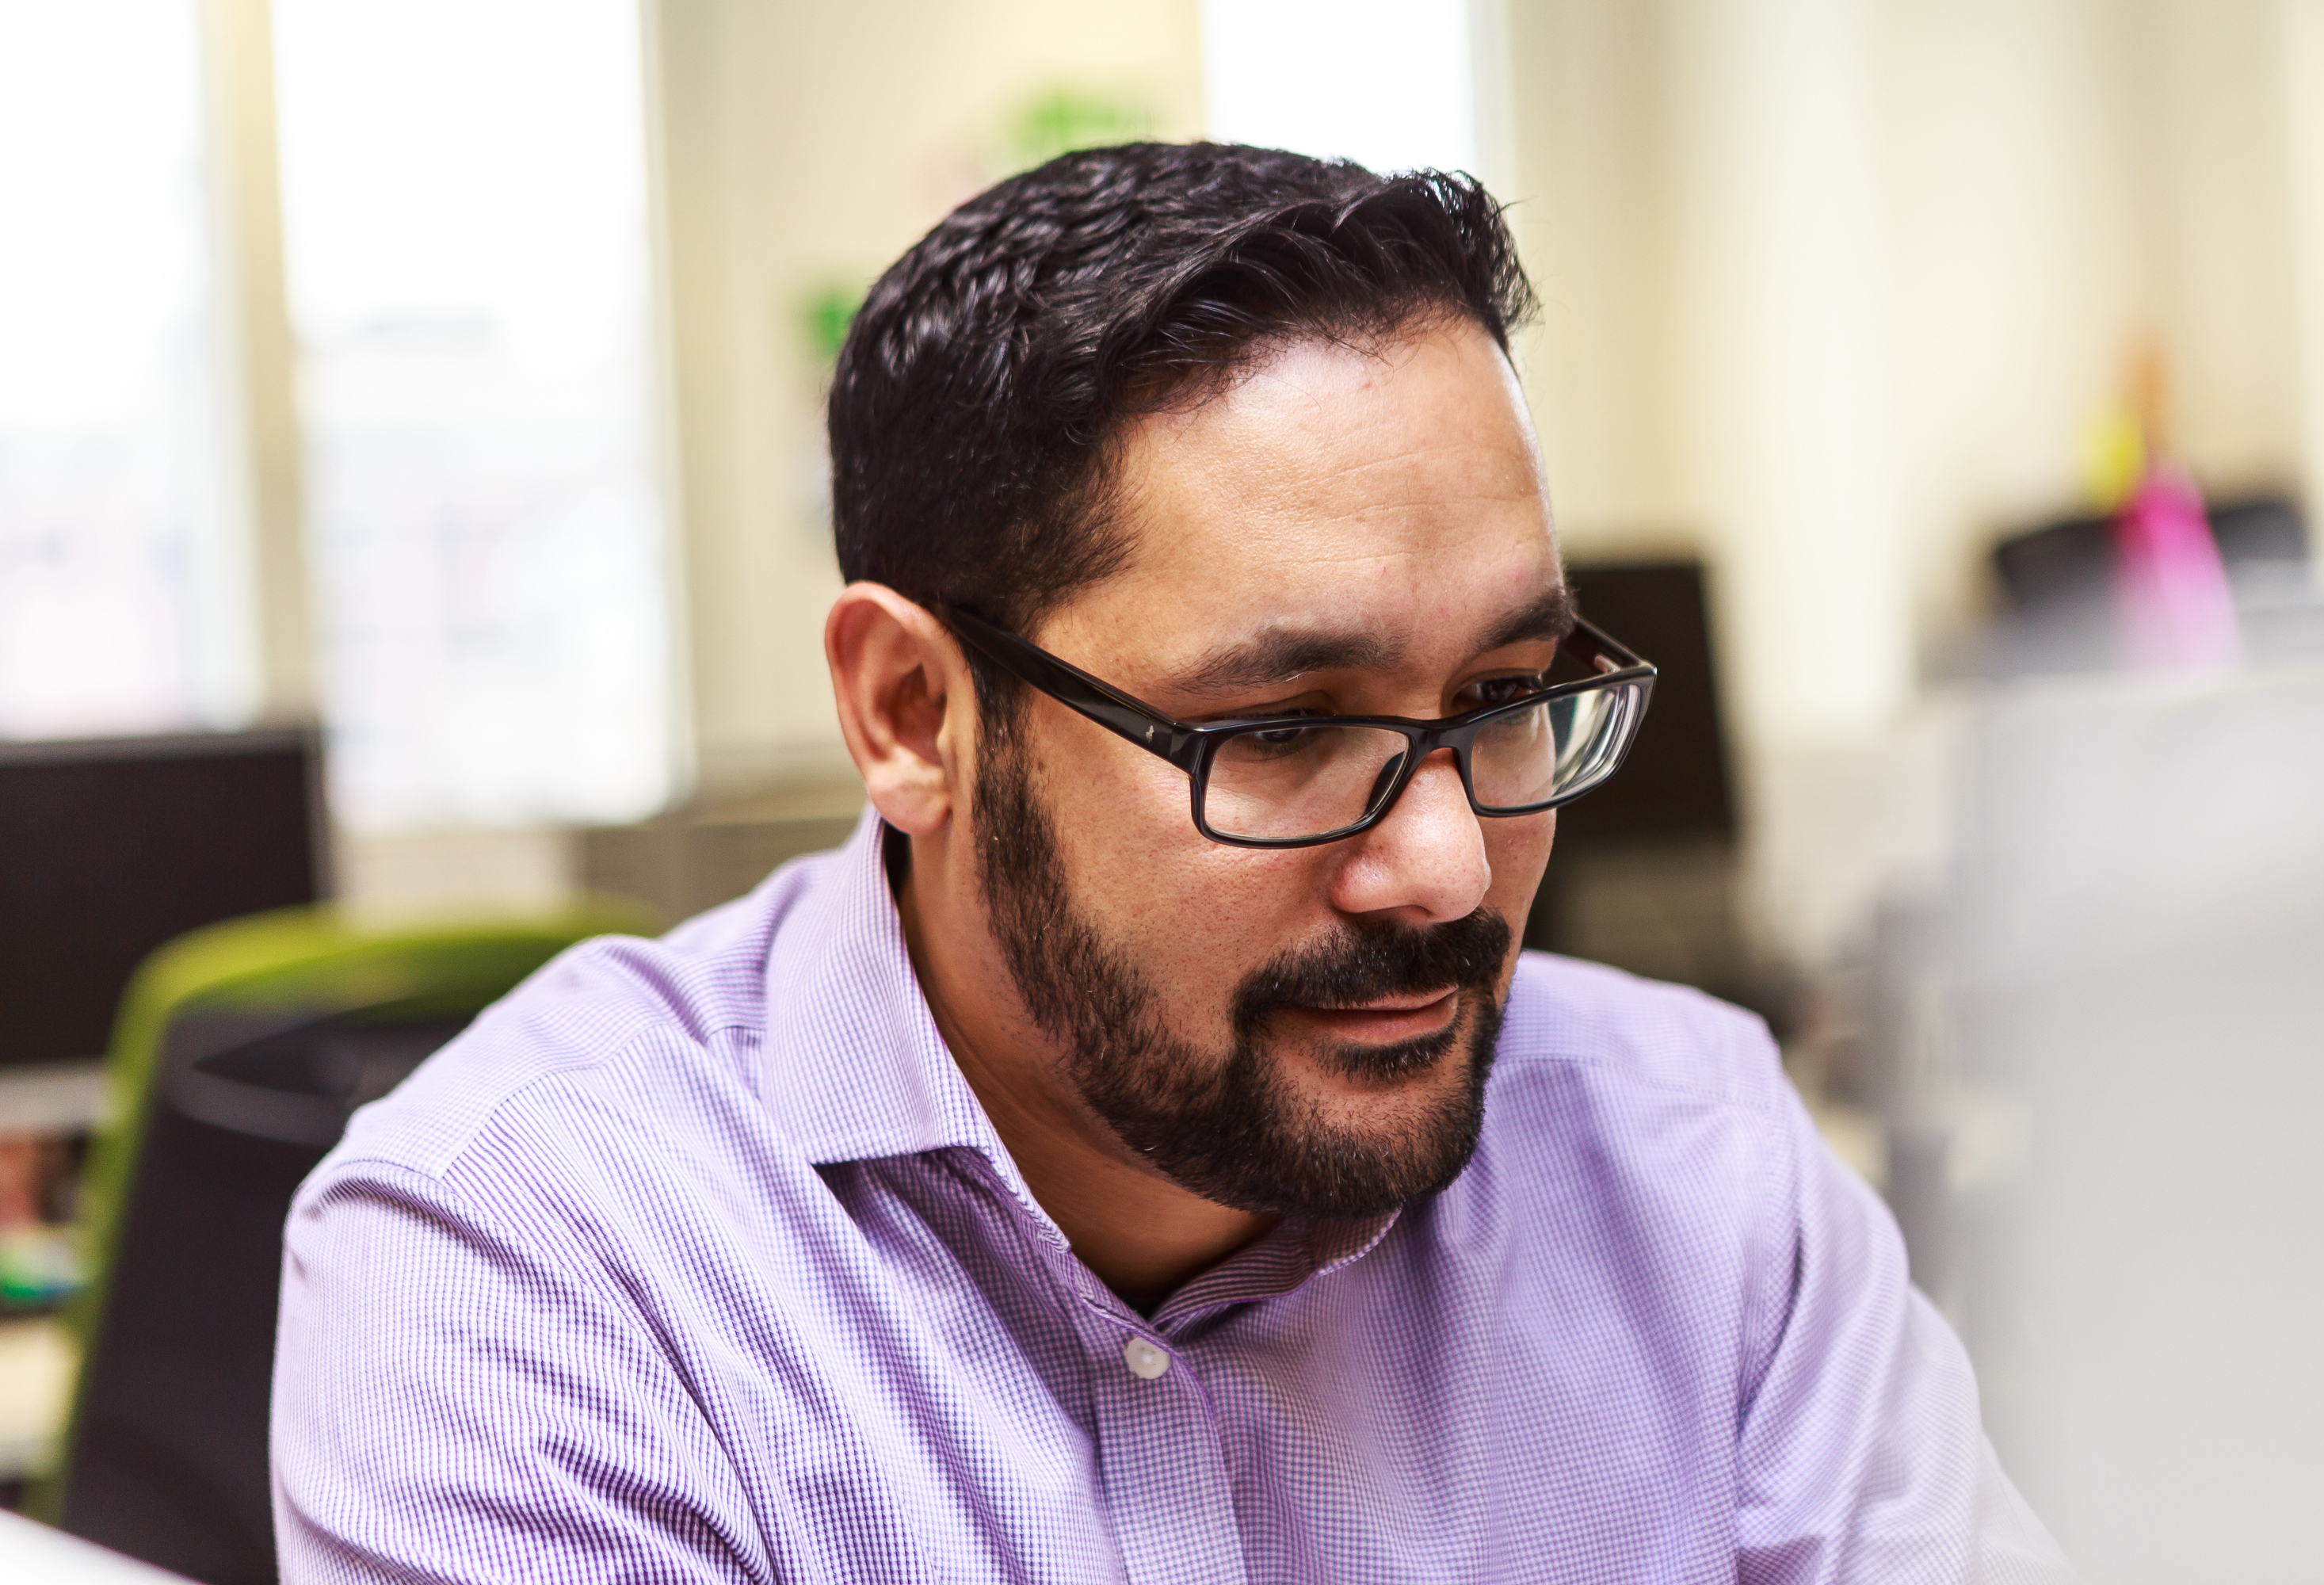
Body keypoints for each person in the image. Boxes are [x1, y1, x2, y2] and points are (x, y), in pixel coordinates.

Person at [272, 143, 2072, 1583]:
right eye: (1282, 728)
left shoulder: (1696, 1172)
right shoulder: (535, 1272)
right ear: (914, 710)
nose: (1445, 868)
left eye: (1507, 698)